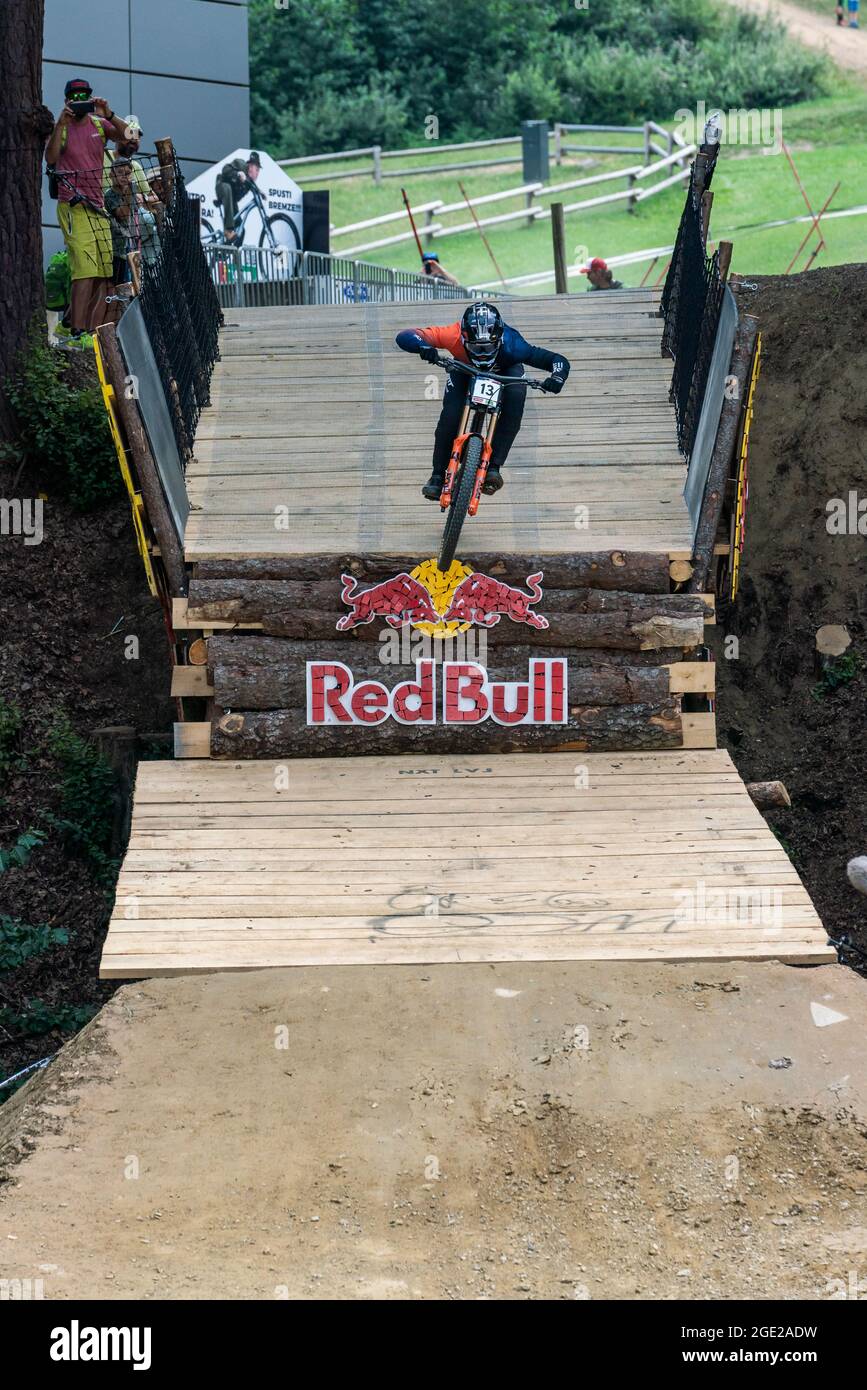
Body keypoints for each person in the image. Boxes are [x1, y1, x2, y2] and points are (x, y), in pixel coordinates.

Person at [395, 301, 570, 499]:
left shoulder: (514, 344)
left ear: (500, 340)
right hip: (465, 368)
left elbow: (557, 360)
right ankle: (437, 475)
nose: (484, 353)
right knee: (450, 416)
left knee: (516, 398)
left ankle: (494, 466)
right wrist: (423, 346)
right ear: (463, 338)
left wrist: (557, 378)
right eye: (477, 349)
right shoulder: (452, 334)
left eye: (488, 347)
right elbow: (405, 335)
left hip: (506, 368)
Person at [45, 78, 129, 338]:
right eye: (76, 97)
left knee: (104, 272)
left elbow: (128, 137)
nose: (81, 101)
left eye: (85, 96)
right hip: (73, 206)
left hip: (98, 207)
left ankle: (94, 332)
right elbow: (50, 158)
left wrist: (110, 114)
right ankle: (77, 331)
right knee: (84, 271)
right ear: (67, 100)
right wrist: (61, 122)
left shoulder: (98, 123)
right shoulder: (64, 127)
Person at [215, 151, 262, 242]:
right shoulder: (240, 164)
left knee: (241, 230)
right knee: (227, 188)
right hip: (222, 186)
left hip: (231, 200)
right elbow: (225, 169)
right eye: (256, 169)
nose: (257, 173)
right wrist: (237, 173)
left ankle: (234, 254)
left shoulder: (249, 182)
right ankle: (228, 230)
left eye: (258, 170)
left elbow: (255, 188)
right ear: (250, 166)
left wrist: (260, 192)